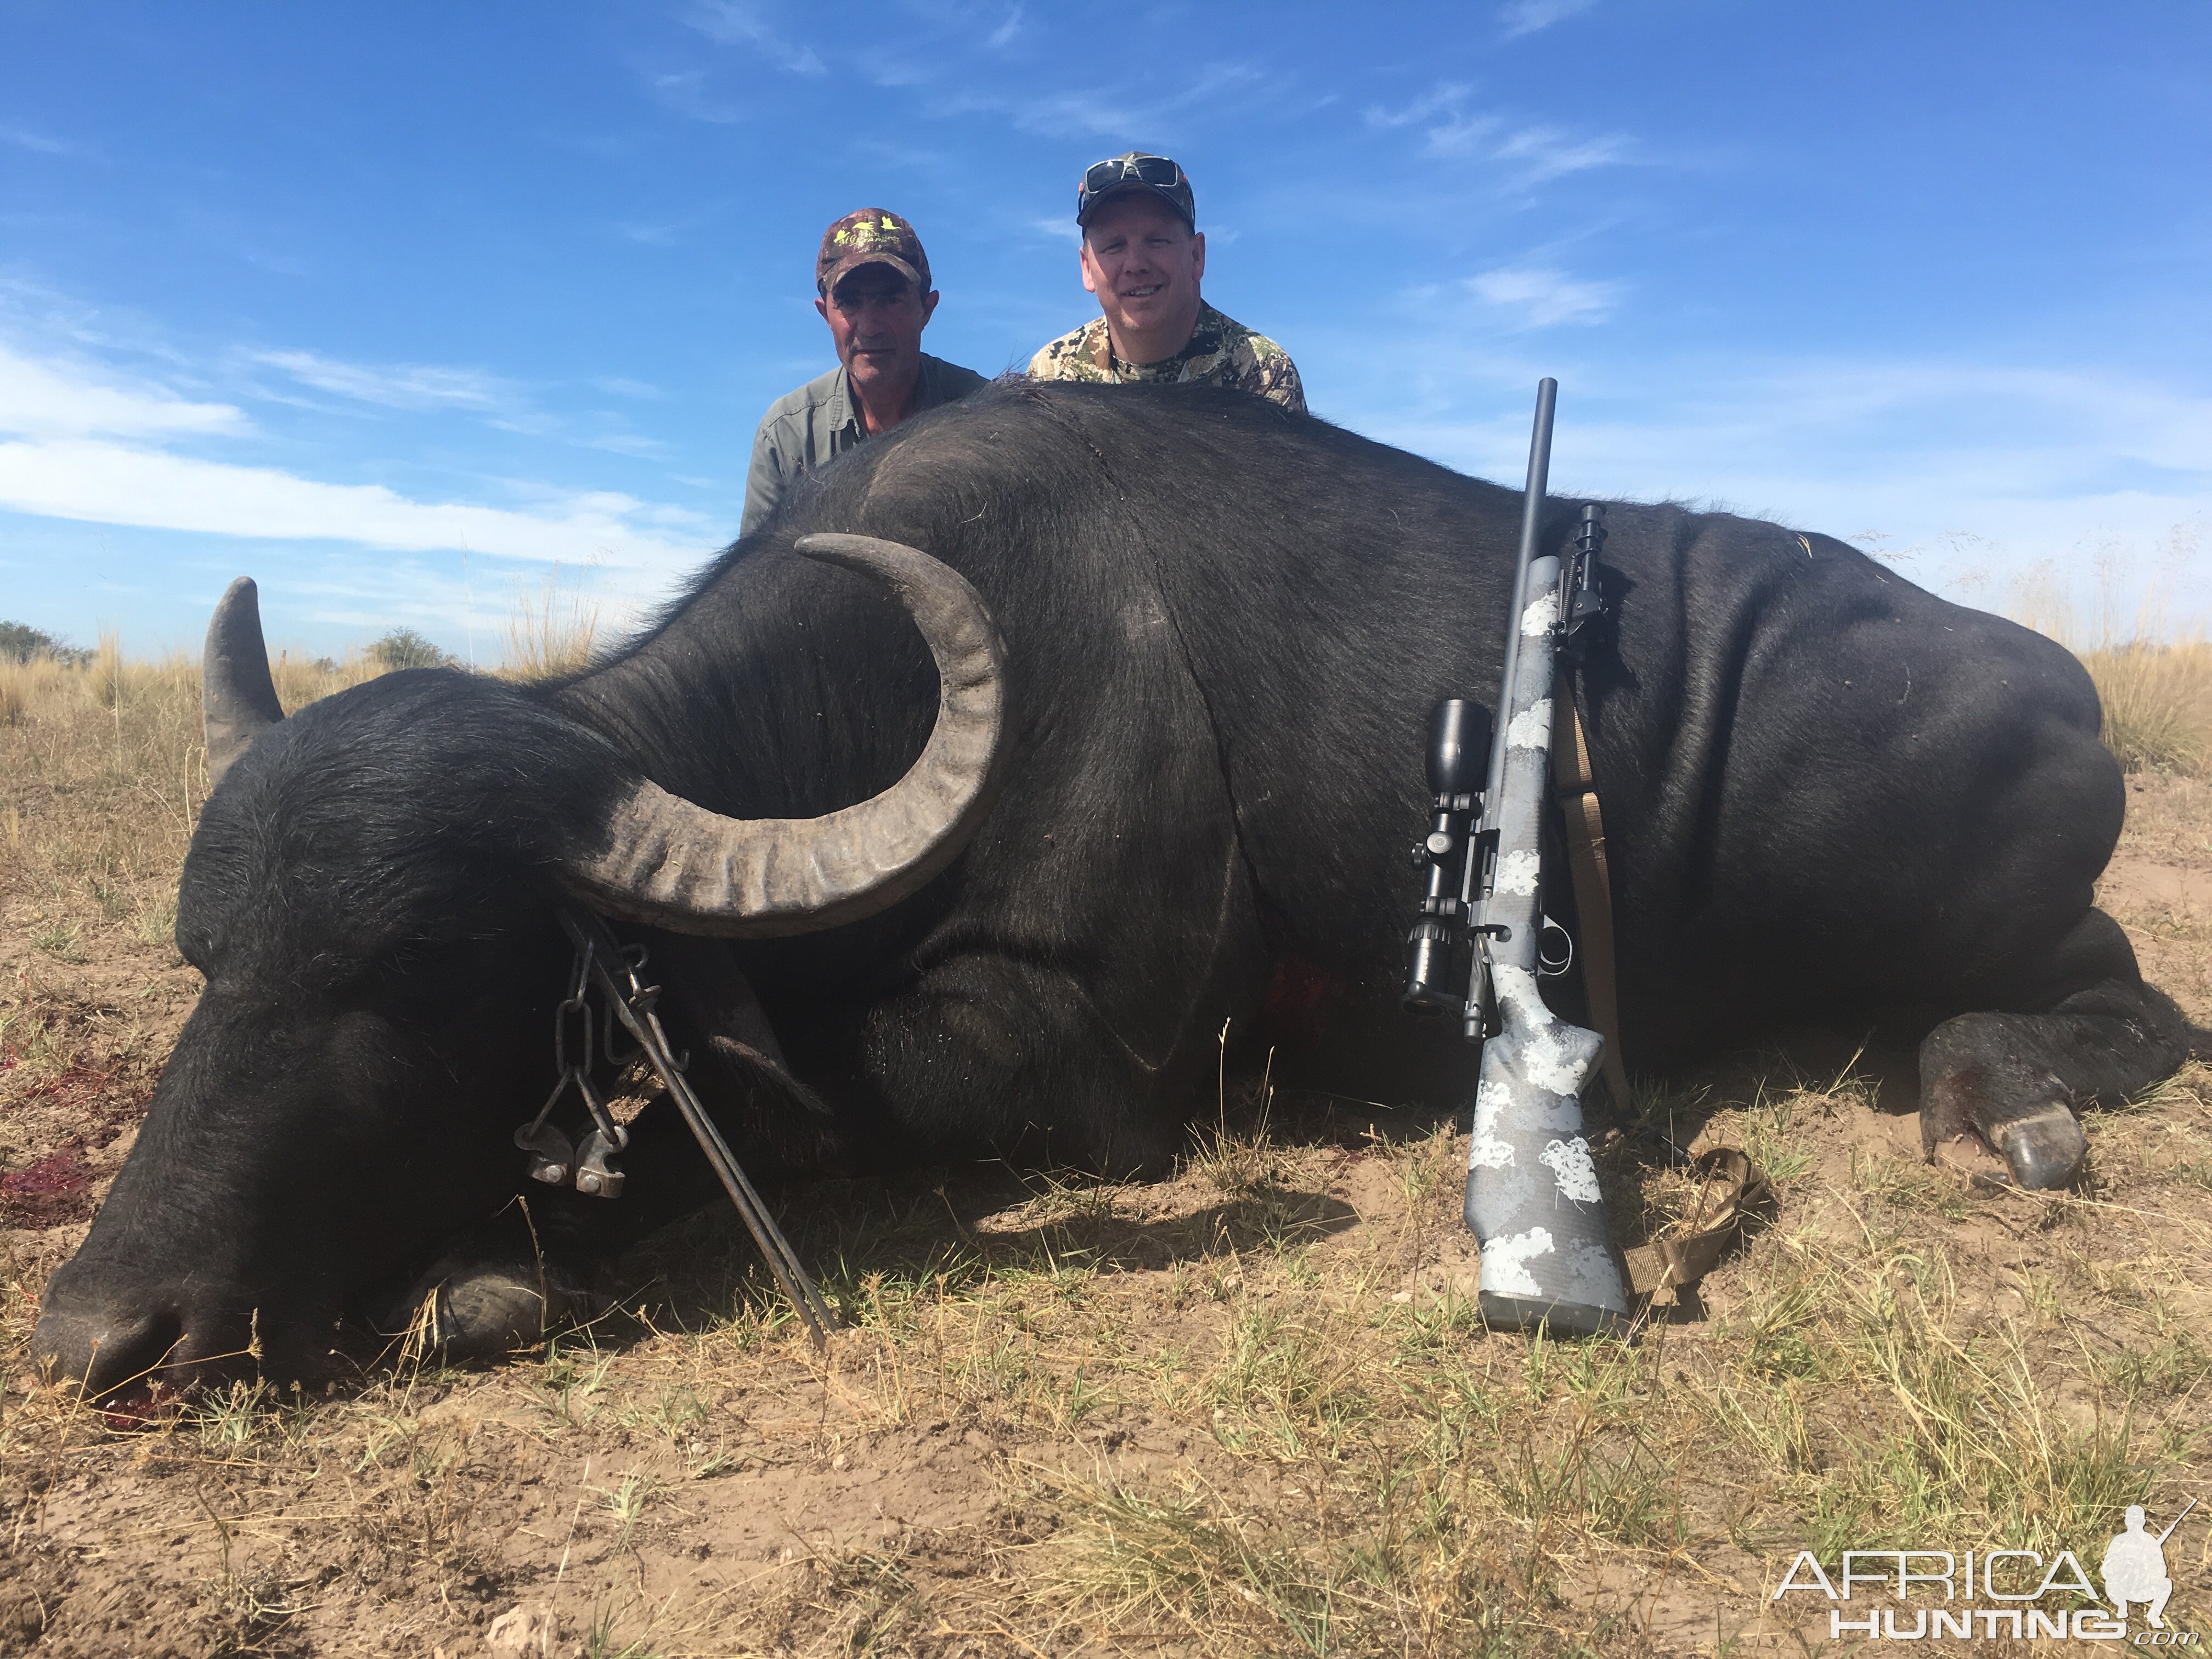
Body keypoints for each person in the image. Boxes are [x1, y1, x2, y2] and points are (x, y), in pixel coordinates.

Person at [741, 209, 987, 536]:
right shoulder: (788, 433)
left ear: (927, 309)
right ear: (824, 314)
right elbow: (757, 579)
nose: (870, 327)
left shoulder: (983, 415)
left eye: (891, 299)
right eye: (849, 302)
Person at [1027, 152, 1305, 413]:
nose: (1136, 264)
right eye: (1114, 246)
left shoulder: (1260, 372)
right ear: (1087, 268)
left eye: (1157, 241)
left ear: (1197, 256)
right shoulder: (1051, 377)